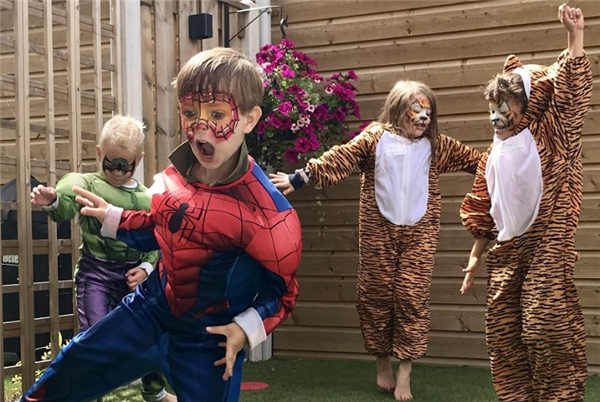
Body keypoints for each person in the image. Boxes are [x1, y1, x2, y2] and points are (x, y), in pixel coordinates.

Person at [22, 47, 301, 402]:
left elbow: (283, 293)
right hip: (148, 310)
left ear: (248, 119)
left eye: (217, 114)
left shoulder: (270, 214)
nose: (200, 129)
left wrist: (245, 329)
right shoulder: (173, 178)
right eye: (190, 113)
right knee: (65, 374)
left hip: (209, 340)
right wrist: (113, 216)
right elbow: (160, 227)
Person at [270, 80, 481, 401]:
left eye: (428, 112)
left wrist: (508, 166)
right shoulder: (375, 139)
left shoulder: (436, 146)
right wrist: (302, 177)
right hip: (378, 232)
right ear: (398, 111)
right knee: (375, 296)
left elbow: (478, 162)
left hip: (419, 234)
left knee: (412, 297)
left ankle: (405, 369)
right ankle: (382, 361)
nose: (423, 118)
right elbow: (341, 157)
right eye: (416, 111)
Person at [459, 4, 592, 401]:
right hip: (507, 250)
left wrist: (574, 36)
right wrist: (475, 256)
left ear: (526, 108)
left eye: (505, 109)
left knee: (545, 325)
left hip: (547, 242)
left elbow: (570, 96)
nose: (496, 117)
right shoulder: (494, 152)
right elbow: (484, 204)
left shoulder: (552, 135)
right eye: (492, 109)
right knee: (505, 334)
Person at [30, 114, 174, 402]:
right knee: (94, 336)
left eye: (125, 165)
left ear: (138, 160)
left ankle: (155, 391)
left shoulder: (147, 199)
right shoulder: (88, 185)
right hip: (96, 273)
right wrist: (53, 200)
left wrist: (146, 268)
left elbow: (156, 240)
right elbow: (67, 204)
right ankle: (82, 395)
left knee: (151, 330)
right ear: (99, 154)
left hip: (132, 276)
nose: (117, 172)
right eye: (111, 163)